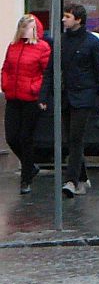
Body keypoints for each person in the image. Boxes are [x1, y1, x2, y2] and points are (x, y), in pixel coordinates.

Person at [38, 5, 99, 198]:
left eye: (67, 16)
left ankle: (70, 181)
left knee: (76, 138)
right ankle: (83, 177)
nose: (63, 20)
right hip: (65, 96)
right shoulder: (60, 42)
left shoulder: (92, 43)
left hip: (84, 97)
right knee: (70, 138)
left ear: (78, 20)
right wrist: (43, 96)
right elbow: (50, 70)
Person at [2, 15, 51, 194]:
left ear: (35, 30)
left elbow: (47, 74)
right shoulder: (13, 47)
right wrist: (5, 85)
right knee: (11, 137)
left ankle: (26, 178)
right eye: (22, 27)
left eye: (28, 28)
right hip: (13, 97)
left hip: (31, 99)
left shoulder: (42, 48)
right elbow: (6, 68)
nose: (24, 31)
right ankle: (30, 166)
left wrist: (34, 88)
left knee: (25, 138)